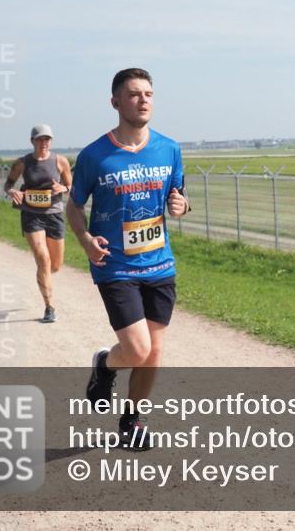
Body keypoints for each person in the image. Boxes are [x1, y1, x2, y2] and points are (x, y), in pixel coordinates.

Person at [66, 68, 189, 450]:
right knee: (136, 349)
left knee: (154, 350)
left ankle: (132, 420)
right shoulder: (94, 155)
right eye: (134, 94)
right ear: (116, 102)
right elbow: (73, 206)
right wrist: (85, 240)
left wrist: (181, 205)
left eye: (149, 92)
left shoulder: (169, 148)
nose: (143, 99)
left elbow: (178, 199)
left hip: (159, 263)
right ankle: (105, 365)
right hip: (115, 266)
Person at [4, 125, 73, 323]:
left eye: (47, 139)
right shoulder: (22, 163)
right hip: (31, 213)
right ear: (32, 141)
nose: (44, 143)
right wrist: (12, 191)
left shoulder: (60, 161)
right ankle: (49, 307)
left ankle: (44, 277)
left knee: (55, 265)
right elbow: (8, 184)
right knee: (43, 258)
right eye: (40, 139)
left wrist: (64, 187)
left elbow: (70, 186)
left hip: (54, 214)